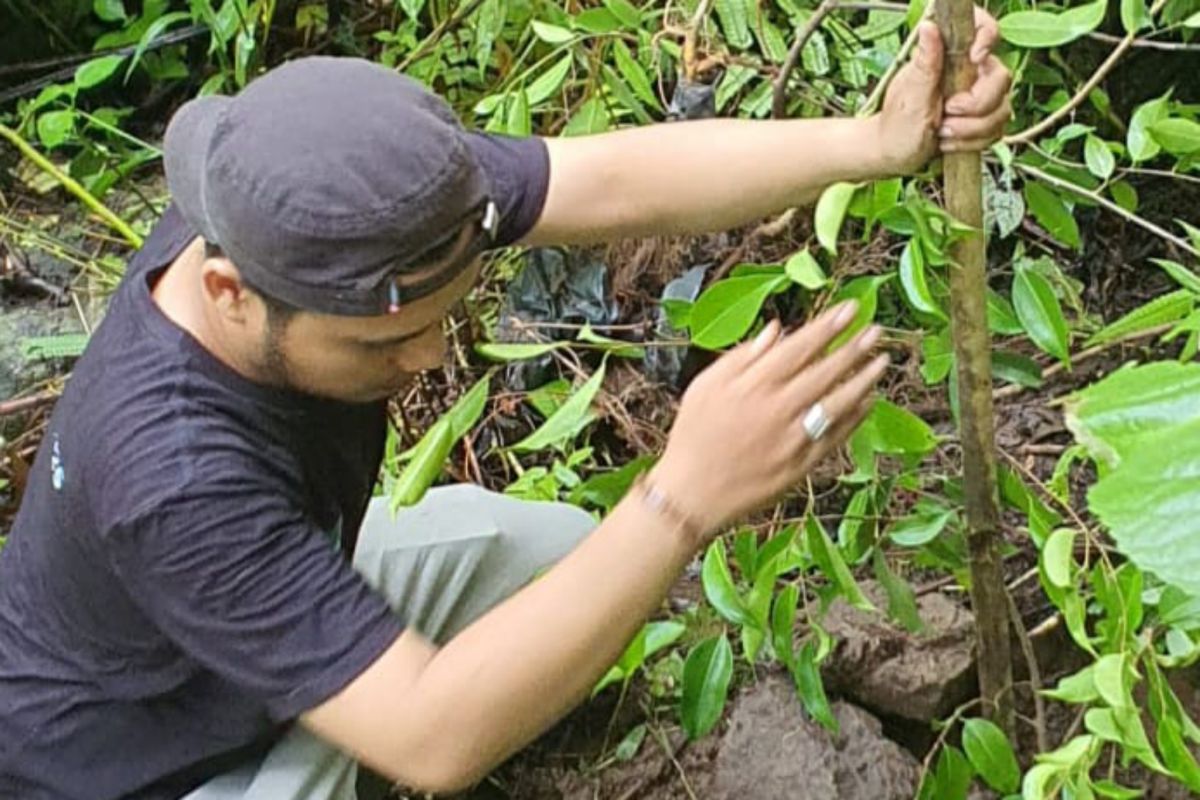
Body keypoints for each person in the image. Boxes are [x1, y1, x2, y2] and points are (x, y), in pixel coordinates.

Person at [0, 14, 1011, 800]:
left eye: (442, 318)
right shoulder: (174, 477)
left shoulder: (304, 202)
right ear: (230, 294)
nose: (432, 353)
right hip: (151, 763)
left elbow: (609, 179)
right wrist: (680, 498)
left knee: (569, 558)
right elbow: (435, 739)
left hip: (245, 626)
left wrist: (874, 142)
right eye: (384, 341)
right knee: (531, 634)